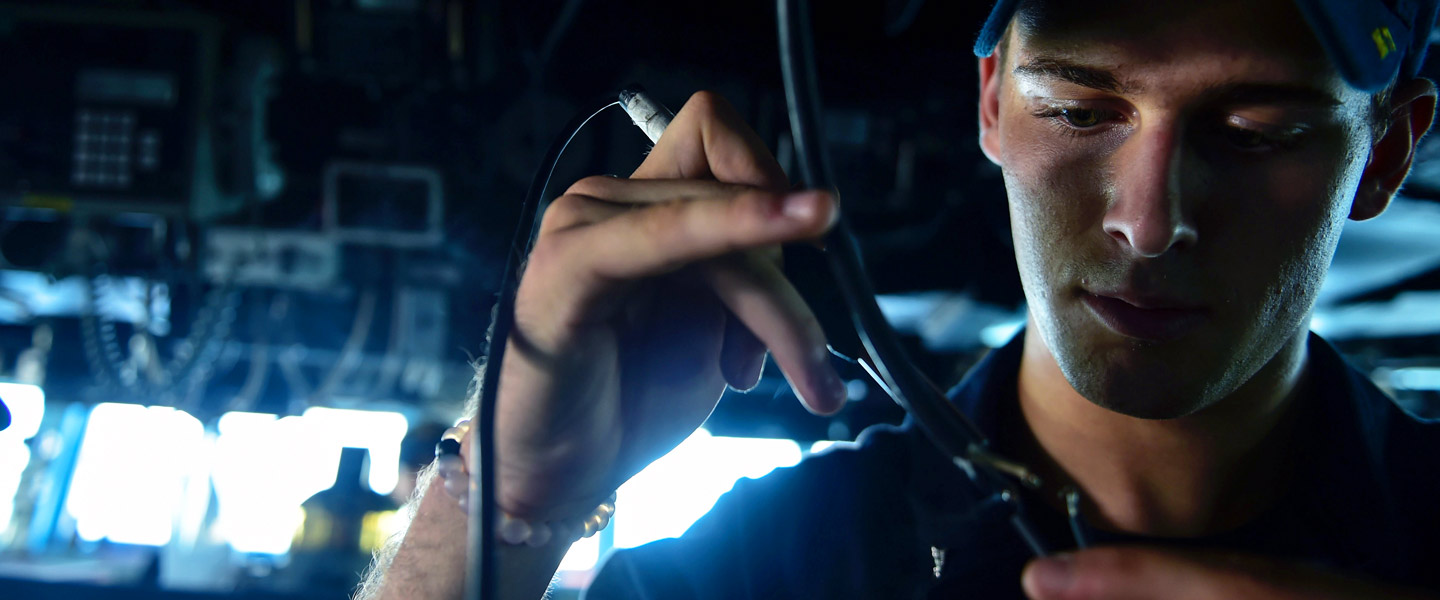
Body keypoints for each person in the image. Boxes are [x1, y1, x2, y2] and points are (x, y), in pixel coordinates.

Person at [360, 0, 1440, 598]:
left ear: (1386, 154)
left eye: (1257, 132)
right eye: (1074, 110)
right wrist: (500, 509)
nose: (1148, 222)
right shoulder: (768, 576)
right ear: (990, 106)